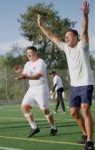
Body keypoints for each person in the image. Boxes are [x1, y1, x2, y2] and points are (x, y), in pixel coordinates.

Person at [37, 1, 94, 150]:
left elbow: (84, 29)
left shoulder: (83, 46)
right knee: (74, 113)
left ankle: (89, 141)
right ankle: (84, 134)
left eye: (69, 36)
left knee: (85, 109)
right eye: (65, 37)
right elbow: (51, 36)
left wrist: (84, 14)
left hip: (86, 83)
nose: (66, 38)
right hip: (74, 86)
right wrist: (41, 25)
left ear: (76, 37)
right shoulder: (66, 49)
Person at [14, 46, 57, 137]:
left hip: (41, 88)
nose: (29, 54)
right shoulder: (27, 64)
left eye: (30, 52)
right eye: (27, 53)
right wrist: (20, 74)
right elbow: (25, 75)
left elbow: (37, 76)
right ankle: (34, 127)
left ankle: (53, 127)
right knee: (24, 107)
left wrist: (25, 76)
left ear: (35, 52)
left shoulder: (40, 62)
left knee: (45, 110)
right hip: (31, 88)